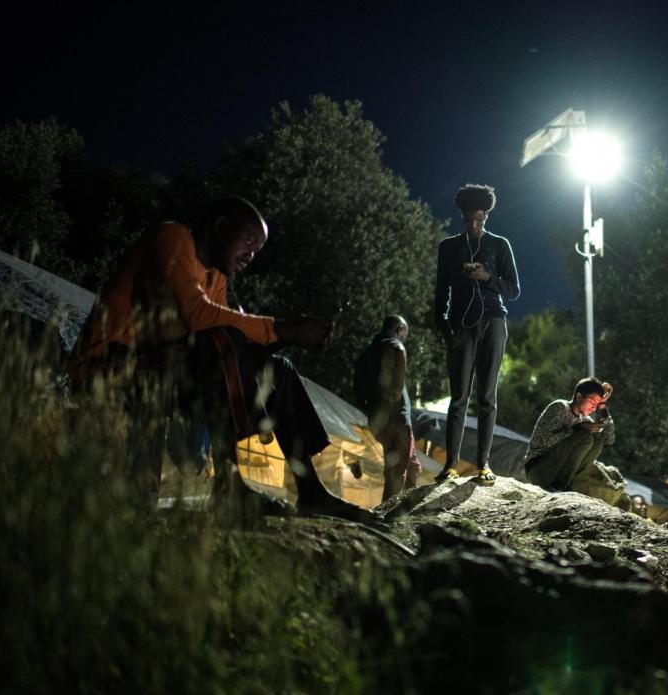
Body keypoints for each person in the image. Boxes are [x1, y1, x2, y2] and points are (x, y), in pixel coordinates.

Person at [69, 196, 354, 516]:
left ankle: (313, 491)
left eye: (257, 250)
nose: (250, 255)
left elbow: (225, 340)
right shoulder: (173, 238)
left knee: (280, 369)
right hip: (110, 365)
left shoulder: (216, 278)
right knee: (223, 340)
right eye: (248, 241)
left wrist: (284, 339)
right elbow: (198, 317)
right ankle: (231, 486)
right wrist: (280, 329)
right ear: (220, 226)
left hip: (162, 365)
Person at [433, 183, 520, 485]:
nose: (473, 225)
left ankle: (484, 465)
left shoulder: (500, 245)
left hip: (494, 322)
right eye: (469, 219)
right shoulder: (449, 247)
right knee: (458, 397)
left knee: (487, 397)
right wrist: (442, 322)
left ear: (486, 216)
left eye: (479, 220)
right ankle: (450, 465)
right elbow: (440, 289)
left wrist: (487, 277)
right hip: (461, 324)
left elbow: (514, 290)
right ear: (462, 216)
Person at [354, 314, 421, 500]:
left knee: (412, 467)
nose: (404, 340)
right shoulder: (397, 348)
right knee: (396, 473)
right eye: (404, 335)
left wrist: (373, 415)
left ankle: (405, 511)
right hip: (398, 420)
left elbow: (357, 396)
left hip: (377, 422)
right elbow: (397, 391)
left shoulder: (363, 357)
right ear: (399, 330)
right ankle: (386, 518)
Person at [525, 377, 615, 492]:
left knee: (597, 438)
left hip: (557, 471)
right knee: (585, 436)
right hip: (538, 468)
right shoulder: (560, 407)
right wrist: (577, 428)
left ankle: (566, 483)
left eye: (596, 405)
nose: (593, 408)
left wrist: (602, 407)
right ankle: (560, 485)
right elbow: (547, 440)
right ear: (579, 397)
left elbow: (608, 438)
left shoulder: (584, 419)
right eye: (592, 402)